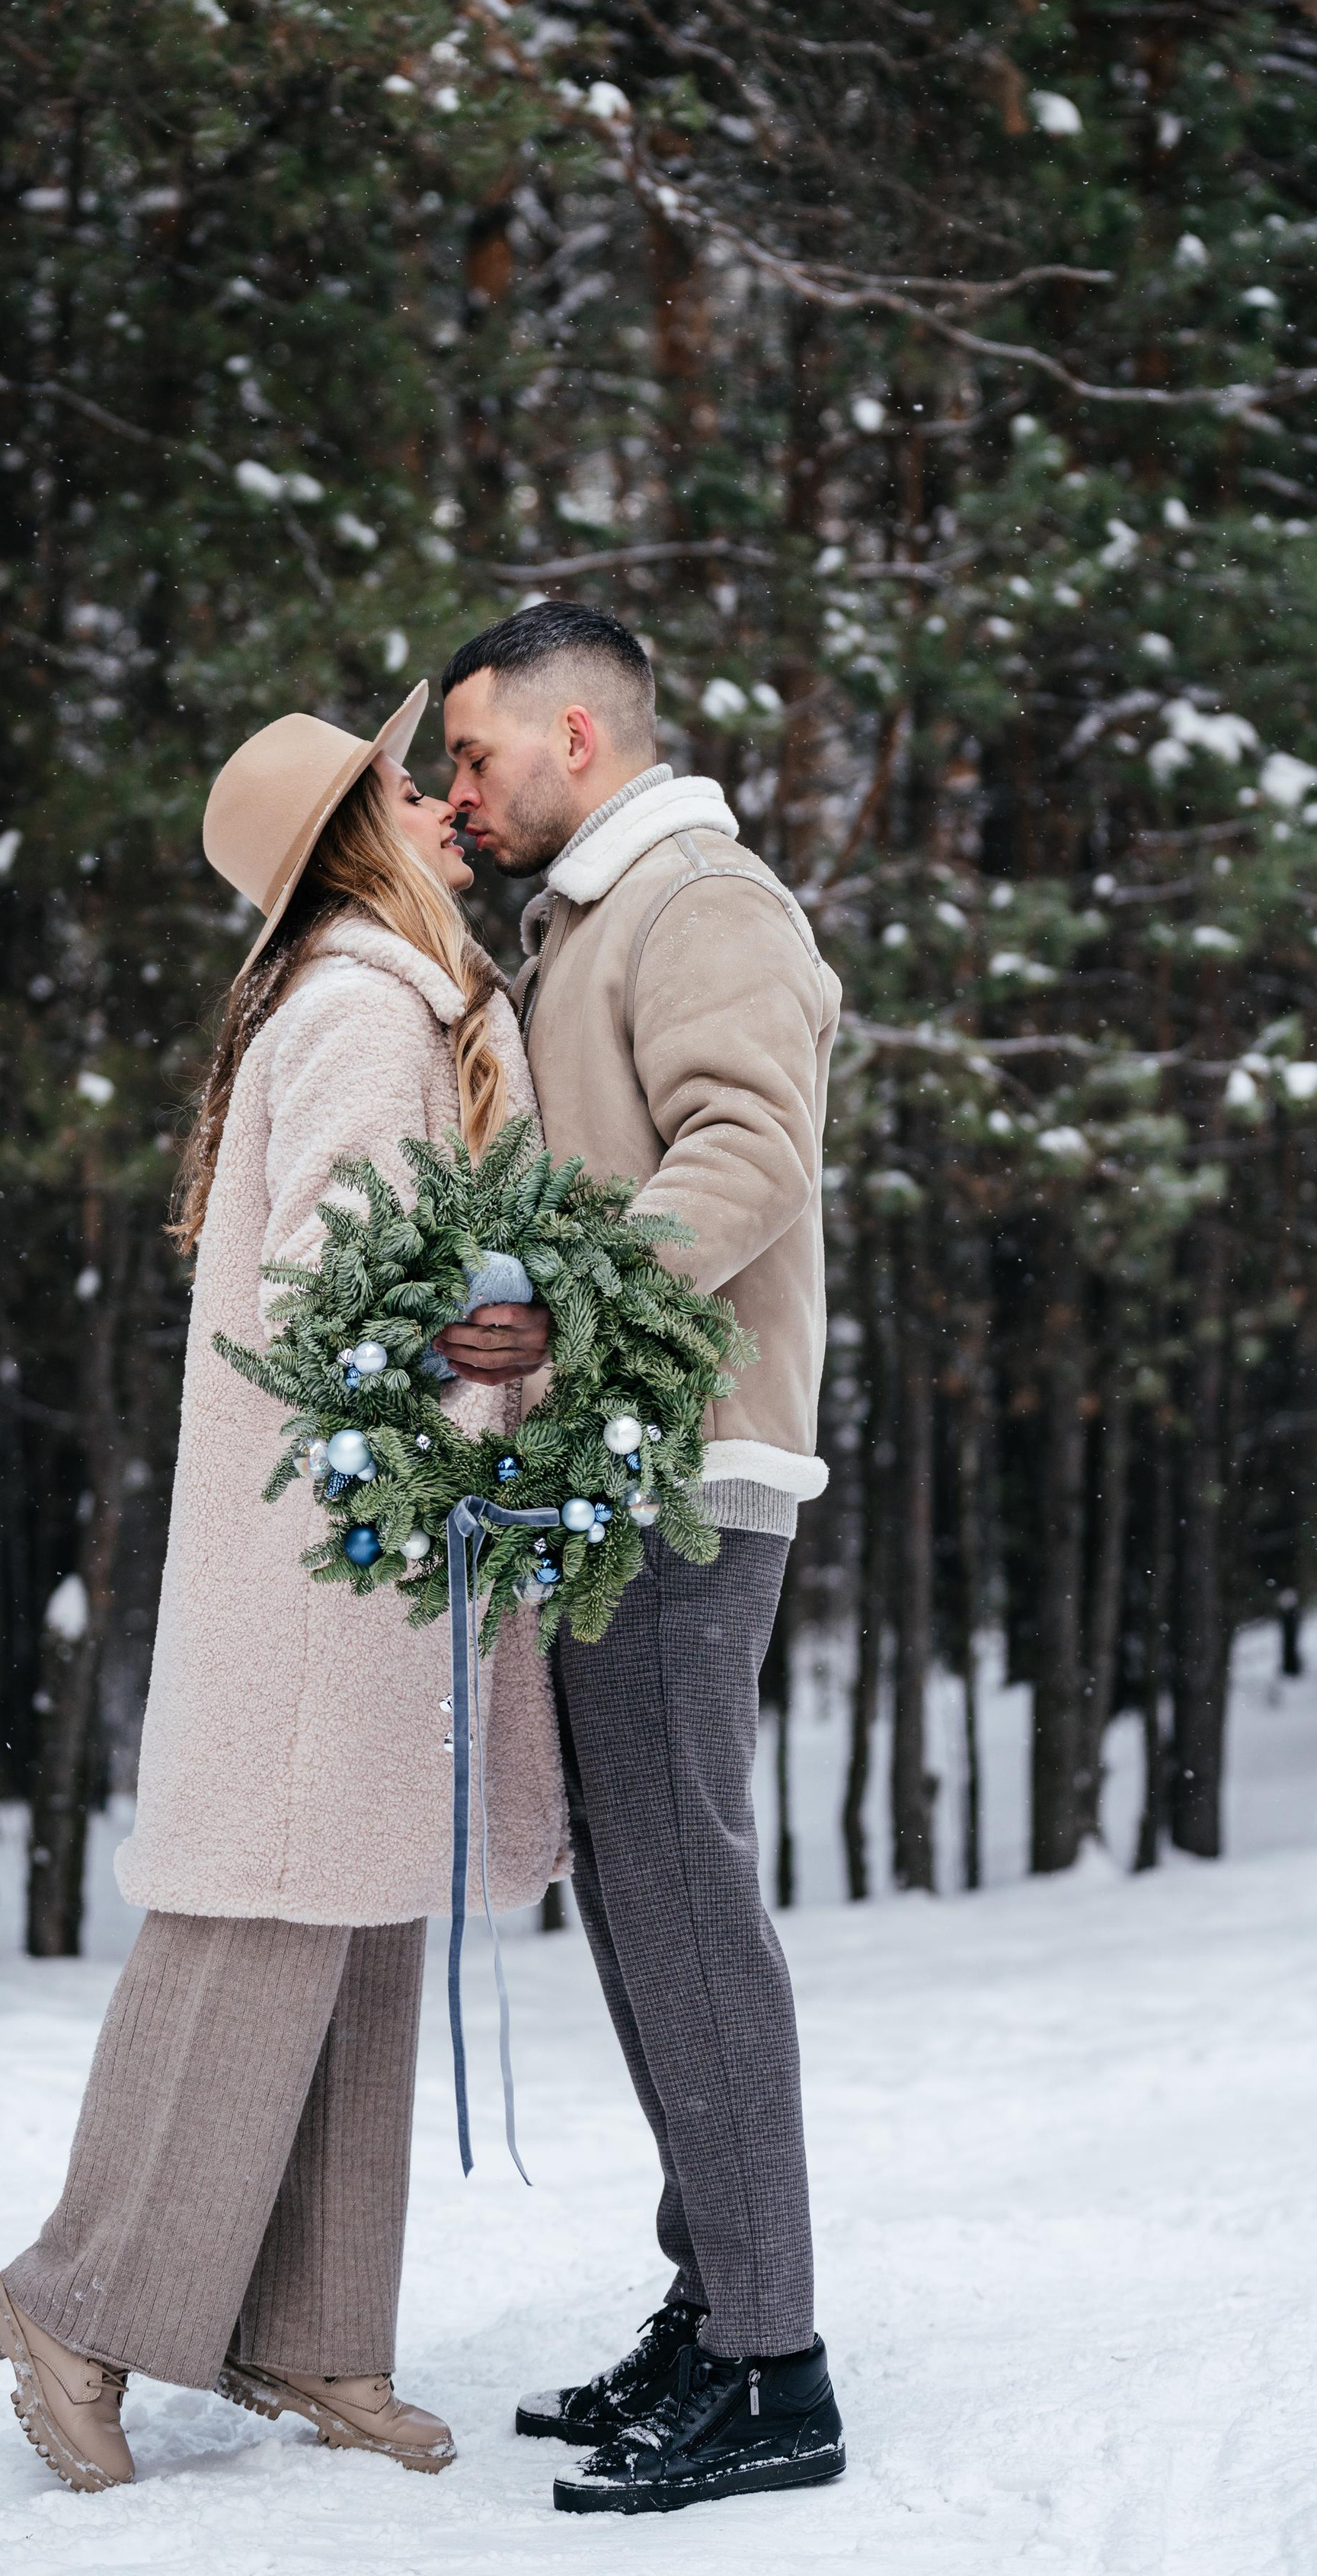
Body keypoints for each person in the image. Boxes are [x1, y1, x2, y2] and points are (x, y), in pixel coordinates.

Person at [0, 682, 567, 2494]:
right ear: (352, 831)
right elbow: (342, 1298)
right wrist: (496, 1368)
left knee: (361, 1915)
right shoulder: (368, 1005)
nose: (436, 797)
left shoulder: (368, 990)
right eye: (402, 780)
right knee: (260, 1920)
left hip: (359, 1557)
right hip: (339, 1557)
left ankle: (311, 2328)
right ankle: (69, 2297)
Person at [436, 602, 848, 2519]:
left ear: (575, 731)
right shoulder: (598, 914)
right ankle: (715, 2302)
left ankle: (777, 2364)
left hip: (687, 1458)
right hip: (624, 1456)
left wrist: (561, 1302)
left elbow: (750, 1142)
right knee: (640, 1890)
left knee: (680, 1884)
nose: (460, 786)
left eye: (474, 753)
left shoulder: (698, 894)